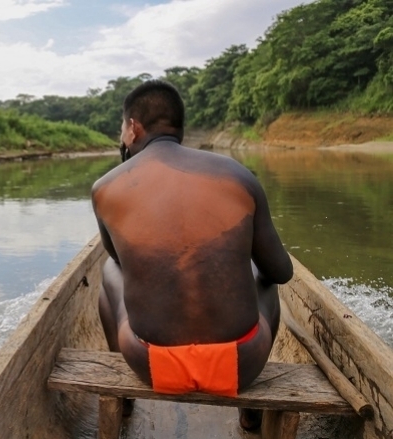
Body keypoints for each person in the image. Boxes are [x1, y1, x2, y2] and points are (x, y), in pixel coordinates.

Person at [91, 80, 293, 431]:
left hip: (150, 363)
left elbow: (121, 260)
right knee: (266, 278)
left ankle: (124, 402)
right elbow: (282, 271)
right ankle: (251, 413)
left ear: (134, 127)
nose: (123, 135)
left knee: (110, 268)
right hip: (241, 364)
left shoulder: (106, 188)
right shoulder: (238, 175)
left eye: (122, 128)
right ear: (179, 127)